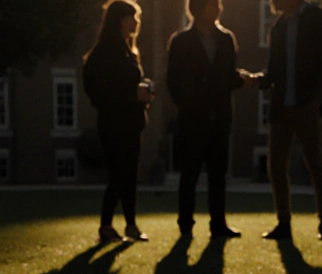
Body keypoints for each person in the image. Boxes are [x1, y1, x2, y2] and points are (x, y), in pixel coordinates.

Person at [244, 0, 322, 241]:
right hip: (281, 107)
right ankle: (283, 224)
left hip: (306, 104)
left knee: (315, 163)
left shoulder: (319, 19)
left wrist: (317, 98)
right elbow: (274, 71)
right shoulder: (278, 28)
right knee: (276, 166)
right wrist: (258, 80)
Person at [166, 0, 244, 239]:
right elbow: (173, 81)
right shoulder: (180, 42)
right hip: (192, 118)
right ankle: (186, 225)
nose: (219, 8)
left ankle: (218, 224)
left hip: (219, 117)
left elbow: (230, 75)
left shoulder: (226, 39)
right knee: (189, 173)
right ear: (199, 9)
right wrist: (188, 105)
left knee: (218, 174)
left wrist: (244, 79)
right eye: (214, 4)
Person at [83, 0, 156, 243]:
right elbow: (96, 90)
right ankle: (105, 226)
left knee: (130, 176)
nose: (136, 23)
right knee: (118, 175)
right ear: (121, 21)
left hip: (132, 123)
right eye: (132, 18)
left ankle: (131, 225)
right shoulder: (104, 52)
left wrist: (144, 91)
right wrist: (132, 94)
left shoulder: (128, 50)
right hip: (114, 124)